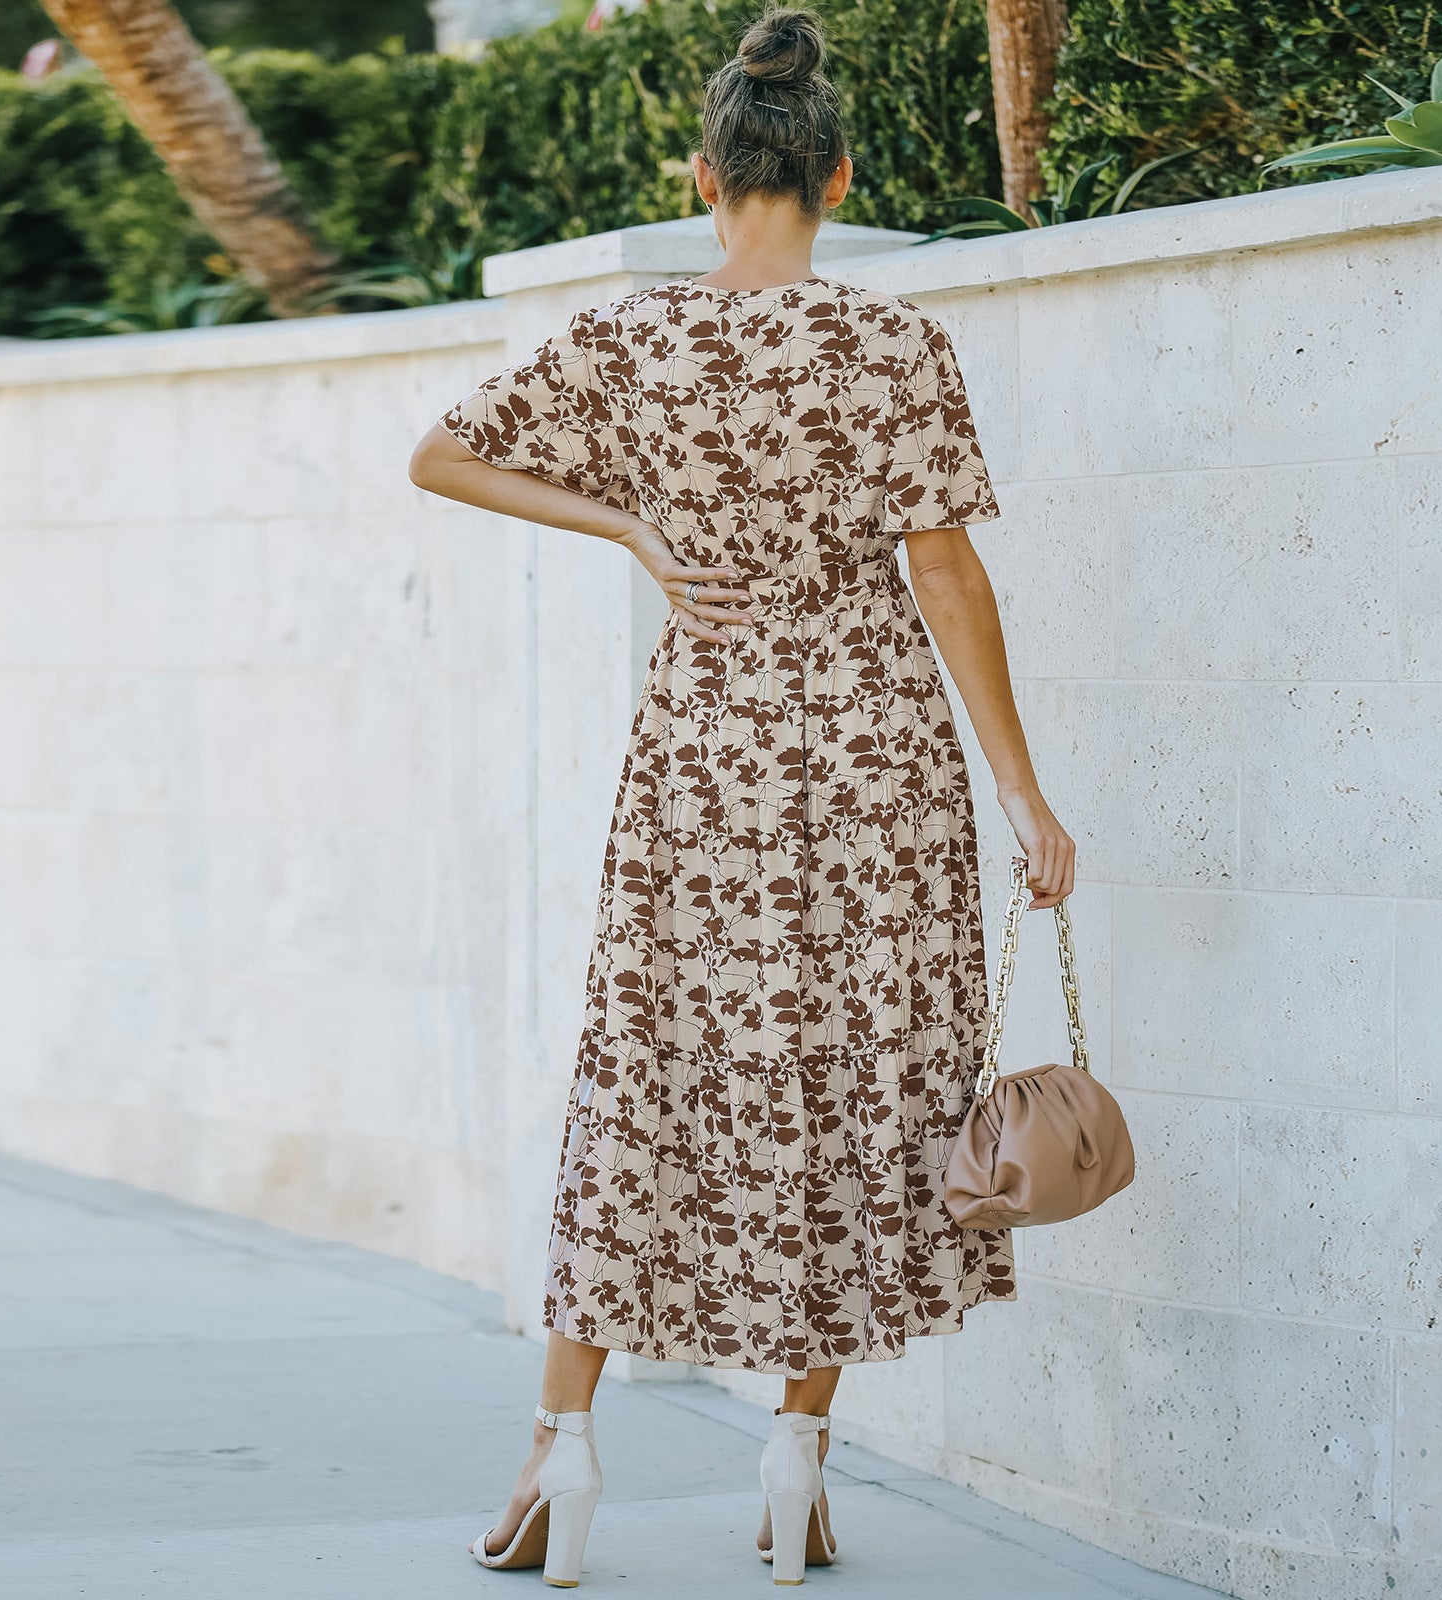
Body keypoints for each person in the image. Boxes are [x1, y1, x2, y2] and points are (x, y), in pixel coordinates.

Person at [408, 5, 1075, 1585]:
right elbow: (947, 571)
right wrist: (1026, 797)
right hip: (875, 761)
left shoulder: (631, 336)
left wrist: (637, 534)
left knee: (648, 1072)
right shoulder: (896, 342)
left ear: (706, 174)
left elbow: (442, 454)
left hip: (702, 757)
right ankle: (797, 1454)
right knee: (853, 1091)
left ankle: (563, 1448)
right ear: (834, 176)